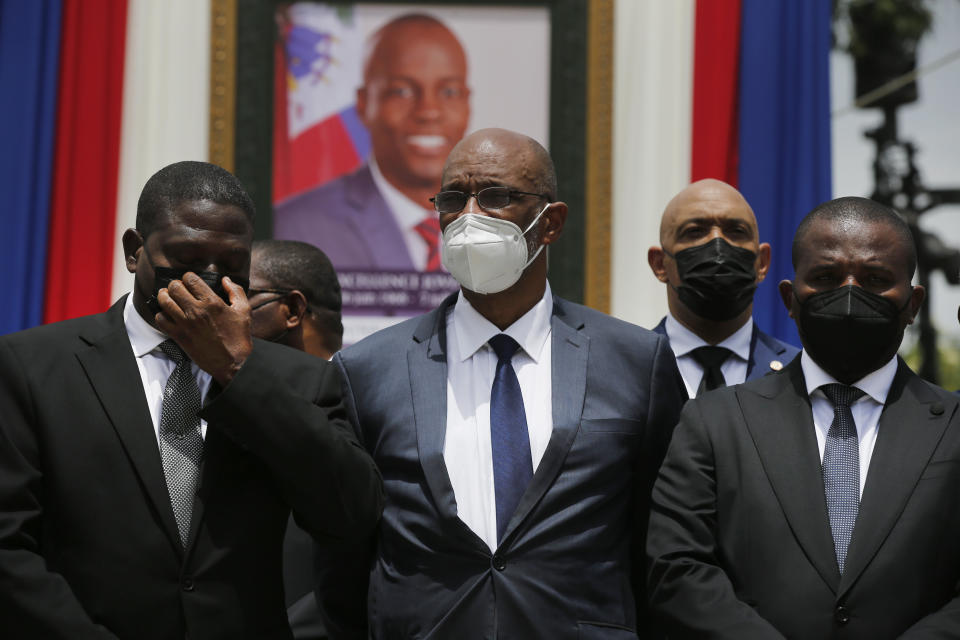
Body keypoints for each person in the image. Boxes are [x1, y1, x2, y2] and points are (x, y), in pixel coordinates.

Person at [317, 128, 687, 638]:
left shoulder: (635, 362)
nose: (470, 216)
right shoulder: (366, 370)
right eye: (453, 198)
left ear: (550, 222)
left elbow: (662, 543)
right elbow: (343, 561)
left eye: (495, 196)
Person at [0, 161, 382, 639]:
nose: (206, 277)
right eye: (186, 255)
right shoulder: (31, 367)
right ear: (135, 251)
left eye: (230, 265)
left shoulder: (298, 380)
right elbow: (9, 547)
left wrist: (238, 371)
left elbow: (350, 515)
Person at [647, 196, 960, 638]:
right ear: (791, 299)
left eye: (875, 279)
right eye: (827, 278)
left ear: (912, 304)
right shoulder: (714, 422)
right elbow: (677, 569)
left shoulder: (953, 427)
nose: (850, 294)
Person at [274, 14, 471, 272]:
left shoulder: (505, 218)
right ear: (364, 104)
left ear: (468, 104)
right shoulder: (298, 227)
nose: (429, 111)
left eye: (449, 92)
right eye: (402, 91)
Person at [248, 239, 344, 640]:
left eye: (240, 293)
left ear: (291, 310)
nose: (220, 307)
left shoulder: (367, 405)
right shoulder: (219, 402)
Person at [647, 178, 798, 398]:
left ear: (762, 263)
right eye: (695, 231)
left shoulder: (799, 376)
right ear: (659, 264)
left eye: (736, 231)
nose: (718, 244)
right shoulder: (622, 369)